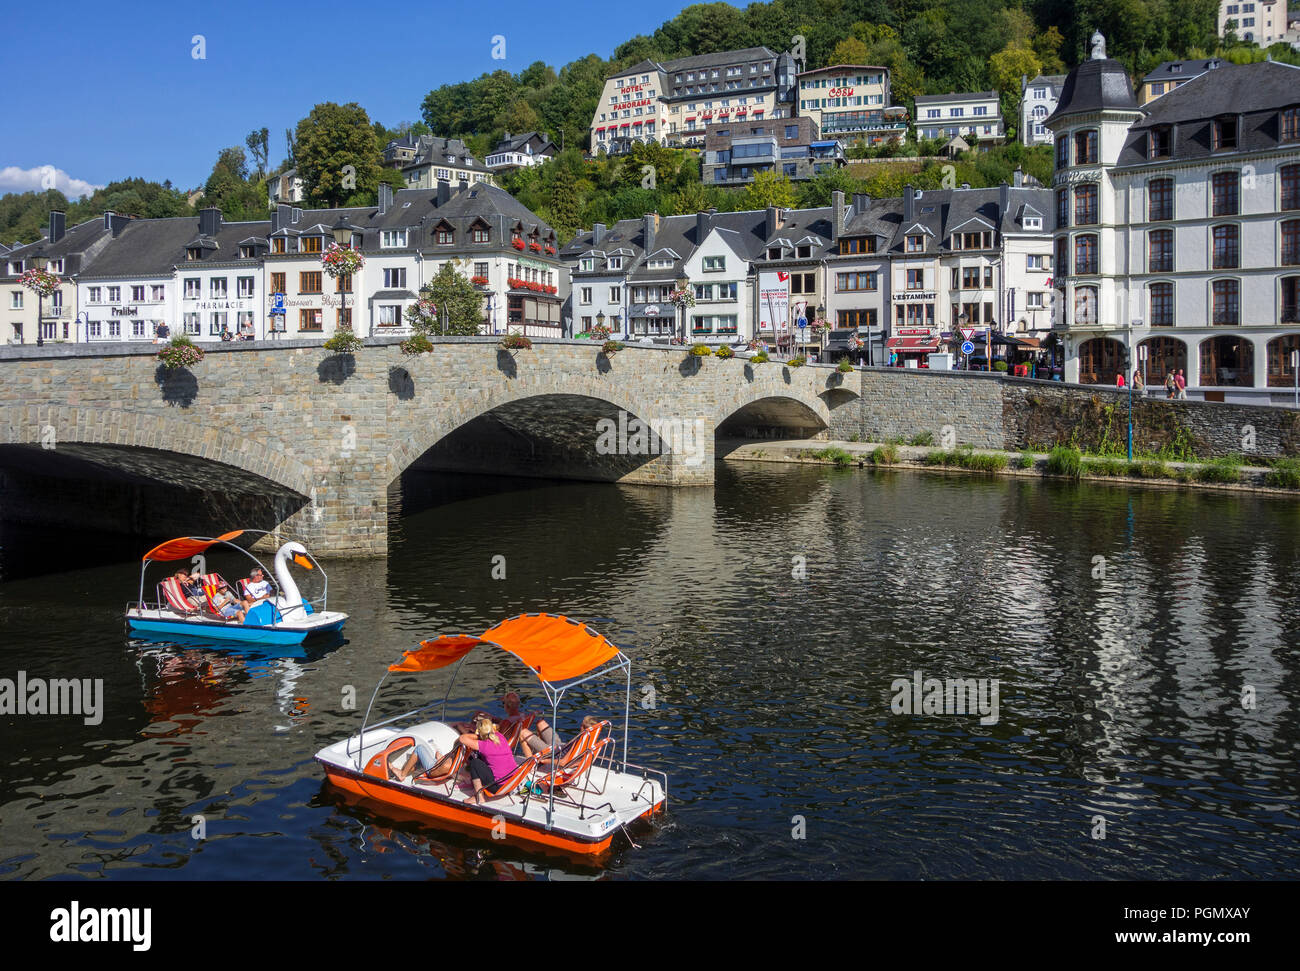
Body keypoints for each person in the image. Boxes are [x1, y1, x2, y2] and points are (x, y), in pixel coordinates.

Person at [459, 716, 519, 804]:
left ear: (479, 732)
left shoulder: (484, 745)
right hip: (512, 781)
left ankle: (479, 797)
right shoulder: (500, 737)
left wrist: (477, 735)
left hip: (498, 786)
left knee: (475, 763)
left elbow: (462, 738)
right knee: (483, 759)